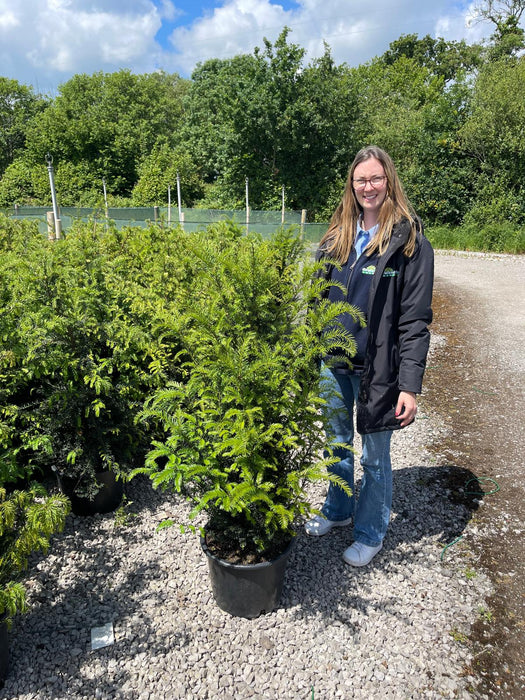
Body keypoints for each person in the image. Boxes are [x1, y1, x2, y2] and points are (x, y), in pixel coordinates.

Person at [305, 145, 434, 566]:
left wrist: (410, 386)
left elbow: (415, 321)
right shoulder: (336, 237)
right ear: (352, 186)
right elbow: (316, 301)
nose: (368, 187)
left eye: (376, 178)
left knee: (374, 457)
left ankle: (371, 532)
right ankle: (338, 510)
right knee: (336, 442)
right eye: (361, 180)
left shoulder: (409, 242)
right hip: (333, 364)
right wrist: (311, 353)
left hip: (379, 369)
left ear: (389, 181)